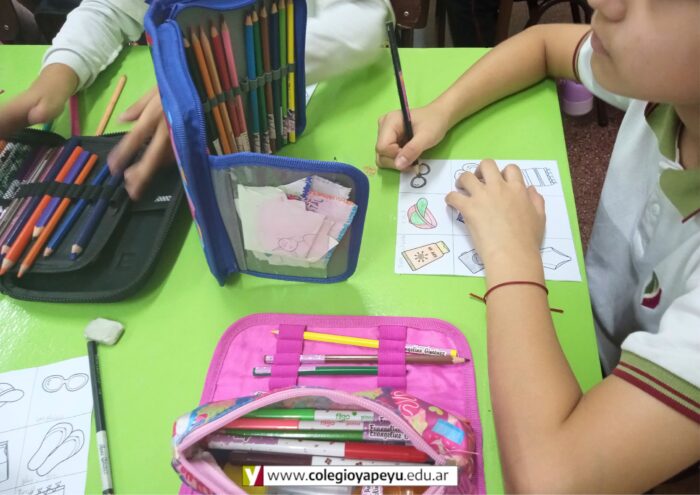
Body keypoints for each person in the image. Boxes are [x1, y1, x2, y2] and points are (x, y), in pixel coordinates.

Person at [376, 0, 699, 492]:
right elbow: (544, 44)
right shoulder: (667, 88)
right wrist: (441, 110)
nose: (601, 2)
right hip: (592, 340)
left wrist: (511, 249)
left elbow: (549, 481)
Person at [0, 0, 392, 199]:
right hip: (192, 151)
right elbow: (112, 8)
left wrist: (214, 79)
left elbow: (363, 24)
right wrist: (61, 70)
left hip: (294, 134)